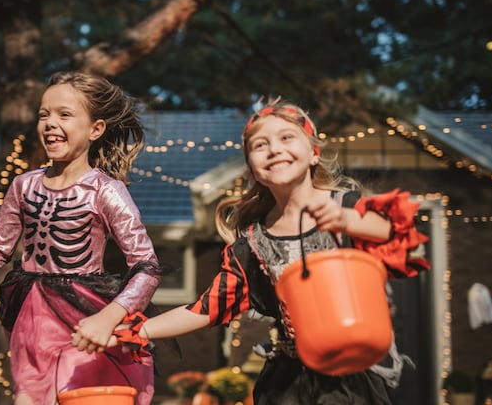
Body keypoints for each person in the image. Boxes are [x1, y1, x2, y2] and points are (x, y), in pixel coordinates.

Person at [87, 99, 431, 404]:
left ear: (313, 152)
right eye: (260, 145)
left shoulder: (349, 207)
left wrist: (349, 223)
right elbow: (207, 307)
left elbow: (398, 233)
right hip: (289, 383)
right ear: (252, 167)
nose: (274, 149)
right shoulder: (253, 242)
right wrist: (139, 330)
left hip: (353, 377)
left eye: (287, 138)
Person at [0, 71, 164, 405]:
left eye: (64, 114)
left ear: (96, 129)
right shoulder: (24, 185)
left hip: (84, 317)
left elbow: (147, 266)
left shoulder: (106, 190)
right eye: (44, 114)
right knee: (29, 399)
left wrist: (109, 317)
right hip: (30, 315)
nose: (49, 123)